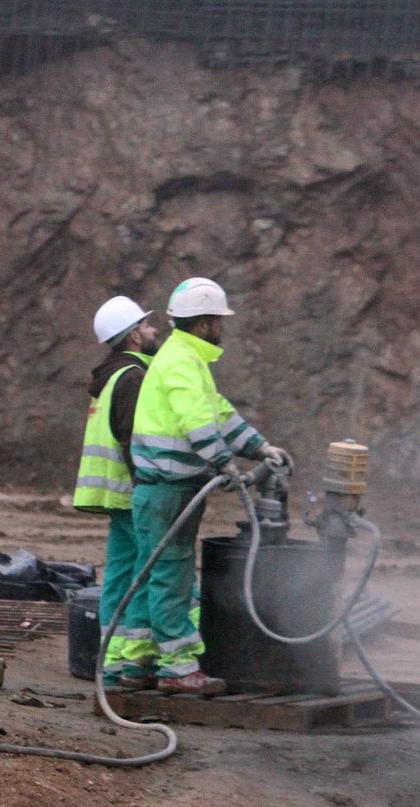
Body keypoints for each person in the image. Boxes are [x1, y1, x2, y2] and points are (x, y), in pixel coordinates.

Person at [125, 278, 291, 694]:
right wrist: (224, 463)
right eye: (218, 320)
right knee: (170, 576)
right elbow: (196, 421)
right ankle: (178, 669)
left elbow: (218, 412)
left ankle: (138, 663)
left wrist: (259, 447)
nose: (222, 327)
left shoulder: (186, 359)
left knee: (156, 572)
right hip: (167, 488)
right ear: (203, 324)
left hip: (165, 487)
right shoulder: (181, 361)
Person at [73, 295, 161, 689]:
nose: (155, 329)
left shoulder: (110, 377)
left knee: (121, 575)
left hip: (114, 495)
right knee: (148, 573)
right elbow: (133, 441)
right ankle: (134, 662)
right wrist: (152, 488)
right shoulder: (133, 378)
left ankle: (110, 661)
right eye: (147, 325)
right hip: (132, 494)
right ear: (135, 338)